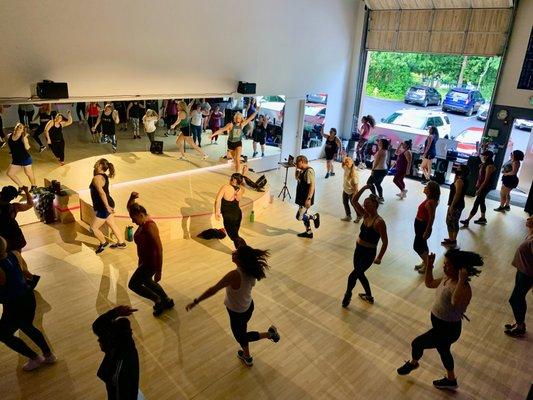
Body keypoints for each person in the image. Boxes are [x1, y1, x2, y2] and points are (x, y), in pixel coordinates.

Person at [397, 249, 483, 391]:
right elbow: (429, 283)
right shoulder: (447, 279)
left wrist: (461, 281)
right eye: (444, 263)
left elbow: (455, 301)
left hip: (448, 330)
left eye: (448, 265)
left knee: (417, 343)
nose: (444, 267)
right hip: (441, 326)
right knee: (443, 350)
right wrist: (429, 266)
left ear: (460, 269)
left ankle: (413, 363)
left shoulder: (463, 288)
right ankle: (451, 379)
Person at [185, 245, 280, 367]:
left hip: (237, 313)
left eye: (236, 253)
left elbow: (213, 290)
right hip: (248, 307)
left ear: (241, 259)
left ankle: (270, 334)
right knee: (242, 332)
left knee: (241, 337)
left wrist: (196, 301)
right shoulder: (251, 271)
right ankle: (247, 356)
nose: (233, 252)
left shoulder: (234, 275)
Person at [0, 236, 56, 372]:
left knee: (3, 335)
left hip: (14, 303)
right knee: (27, 326)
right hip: (28, 296)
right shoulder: (15, 254)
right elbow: (27, 274)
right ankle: (49, 355)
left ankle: (35, 357)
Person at [127, 192, 174, 316]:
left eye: (134, 219)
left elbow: (159, 249)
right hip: (144, 261)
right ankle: (167, 300)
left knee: (133, 284)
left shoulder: (150, 227)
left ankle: (158, 300)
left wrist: (159, 271)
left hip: (151, 263)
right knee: (147, 281)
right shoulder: (142, 221)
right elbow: (130, 207)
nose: (133, 221)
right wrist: (132, 198)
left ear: (141, 215)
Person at [342, 185, 388, 307]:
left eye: (367, 204)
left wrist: (379, 257)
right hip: (358, 250)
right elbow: (354, 201)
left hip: (368, 254)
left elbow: (385, 242)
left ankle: (348, 294)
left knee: (353, 275)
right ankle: (369, 296)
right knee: (359, 274)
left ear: (375, 205)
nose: (364, 206)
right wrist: (364, 188)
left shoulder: (379, 222)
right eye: (364, 203)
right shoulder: (366, 215)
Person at [92, 305, 140, 399]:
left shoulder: (119, 371)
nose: (98, 342)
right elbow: (97, 326)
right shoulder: (124, 343)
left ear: (110, 343)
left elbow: (120, 394)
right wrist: (115, 312)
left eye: (100, 340)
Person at [90, 159, 126, 254]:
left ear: (101, 165)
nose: (95, 164)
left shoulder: (97, 178)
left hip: (104, 206)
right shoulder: (103, 176)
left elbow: (102, 193)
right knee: (111, 223)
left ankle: (103, 243)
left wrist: (107, 207)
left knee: (94, 227)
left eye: (97, 163)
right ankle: (121, 242)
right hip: (109, 203)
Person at [504, 216, 533, 338]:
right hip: (522, 271)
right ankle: (519, 322)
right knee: (519, 298)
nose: (528, 218)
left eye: (532, 217)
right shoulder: (531, 234)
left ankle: (520, 326)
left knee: (515, 299)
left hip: (527, 274)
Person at [211, 108, 259, 172]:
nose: (237, 119)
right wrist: (213, 134)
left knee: (237, 159)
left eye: (239, 118)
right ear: (235, 118)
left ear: (241, 119)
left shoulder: (242, 125)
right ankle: (243, 169)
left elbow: (250, 118)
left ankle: (237, 174)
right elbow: (221, 130)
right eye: (236, 118)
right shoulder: (230, 125)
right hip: (230, 144)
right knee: (235, 160)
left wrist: (256, 111)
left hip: (238, 143)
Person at [460, 150, 496, 227]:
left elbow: (486, 180)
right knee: (481, 201)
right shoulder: (485, 164)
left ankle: (467, 220)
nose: (482, 156)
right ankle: (483, 218)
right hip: (482, 185)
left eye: (484, 155)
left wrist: (479, 189)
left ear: (487, 156)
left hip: (485, 187)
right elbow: (481, 176)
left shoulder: (489, 166)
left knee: (476, 203)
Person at [414, 181, 440, 273]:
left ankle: (428, 264)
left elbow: (432, 217)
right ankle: (425, 263)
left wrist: (427, 230)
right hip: (420, 224)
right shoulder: (429, 199)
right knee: (423, 245)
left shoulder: (430, 202)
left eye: (426, 187)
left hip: (423, 225)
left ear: (430, 190)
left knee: (417, 246)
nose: (424, 188)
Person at [215, 173, 246, 249]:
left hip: (229, 216)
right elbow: (243, 183)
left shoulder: (225, 187)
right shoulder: (242, 189)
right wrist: (244, 173)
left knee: (234, 237)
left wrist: (217, 212)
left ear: (234, 180)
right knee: (235, 235)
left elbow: (218, 200)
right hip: (238, 214)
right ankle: (242, 250)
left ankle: (242, 251)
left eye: (231, 178)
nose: (230, 179)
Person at [293, 155, 320, 238]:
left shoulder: (309, 171)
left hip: (306, 198)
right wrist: (296, 170)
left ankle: (315, 217)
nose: (296, 165)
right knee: (304, 214)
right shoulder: (302, 170)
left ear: (302, 161)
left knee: (299, 217)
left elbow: (312, 186)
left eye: (297, 163)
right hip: (301, 197)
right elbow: (297, 178)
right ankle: (309, 232)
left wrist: (309, 199)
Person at [442, 165, 469, 247]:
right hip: (459, 204)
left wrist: (452, 206)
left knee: (451, 222)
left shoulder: (460, 181)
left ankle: (453, 240)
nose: (457, 169)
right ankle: (451, 239)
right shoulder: (463, 180)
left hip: (456, 205)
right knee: (451, 221)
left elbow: (457, 194)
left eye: (459, 169)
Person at [6, 123, 37, 189]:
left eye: (20, 127)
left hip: (25, 158)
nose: (18, 128)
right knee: (10, 173)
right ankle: (22, 187)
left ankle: (34, 186)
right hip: (16, 159)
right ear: (15, 127)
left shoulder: (23, 138)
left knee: (28, 173)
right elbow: (11, 145)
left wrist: (25, 138)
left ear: (23, 130)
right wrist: (11, 152)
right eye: (17, 126)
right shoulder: (9, 136)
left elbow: (27, 148)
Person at [366, 138, 389, 203]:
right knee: (377, 184)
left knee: (369, 183)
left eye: (380, 142)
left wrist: (373, 169)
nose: (378, 142)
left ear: (382, 144)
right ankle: (380, 198)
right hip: (383, 170)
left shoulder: (381, 151)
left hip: (379, 170)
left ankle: (375, 196)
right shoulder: (384, 150)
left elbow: (377, 162)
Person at [340, 156, 361, 222]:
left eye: (347, 162)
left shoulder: (354, 173)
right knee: (345, 202)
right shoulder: (346, 168)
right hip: (346, 190)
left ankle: (359, 215)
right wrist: (344, 158)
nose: (346, 164)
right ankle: (348, 216)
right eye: (345, 162)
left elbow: (356, 186)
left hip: (352, 192)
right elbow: (342, 165)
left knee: (353, 204)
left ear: (351, 164)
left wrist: (355, 195)